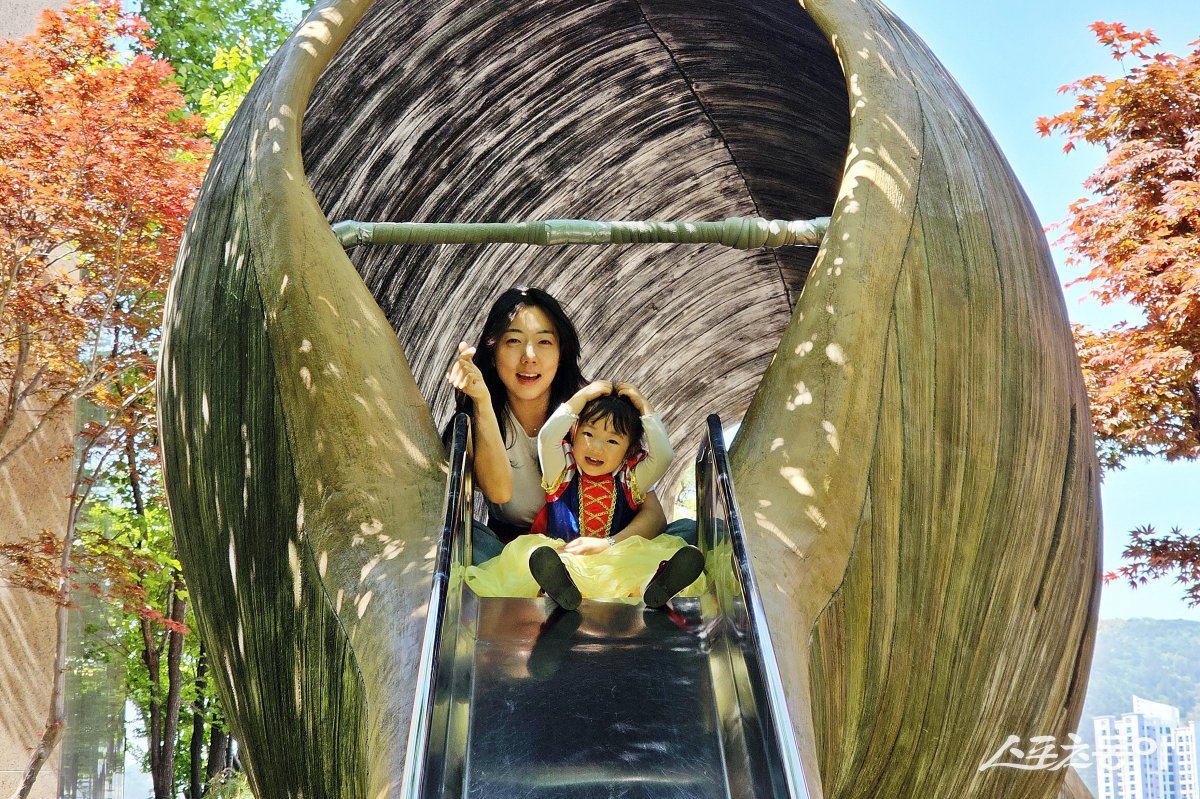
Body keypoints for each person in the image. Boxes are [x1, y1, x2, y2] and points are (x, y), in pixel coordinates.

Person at [445, 287, 671, 563]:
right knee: (465, 539)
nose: (529, 356)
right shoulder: (474, 422)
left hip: (601, 552)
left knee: (689, 532)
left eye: (544, 342)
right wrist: (482, 401)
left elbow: (654, 513)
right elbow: (499, 492)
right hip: (516, 559)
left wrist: (608, 545)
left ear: (561, 352)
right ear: (493, 353)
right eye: (514, 341)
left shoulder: (591, 413)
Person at [464, 381, 705, 610]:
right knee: (546, 561)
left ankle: (654, 588)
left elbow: (664, 456)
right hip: (568, 554)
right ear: (575, 431)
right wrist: (583, 396)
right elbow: (548, 437)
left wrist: (644, 407)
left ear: (629, 451)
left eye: (612, 441)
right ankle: (558, 589)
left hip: (615, 560)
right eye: (589, 434)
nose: (596, 447)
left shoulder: (630, 479)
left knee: (643, 565)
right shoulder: (562, 470)